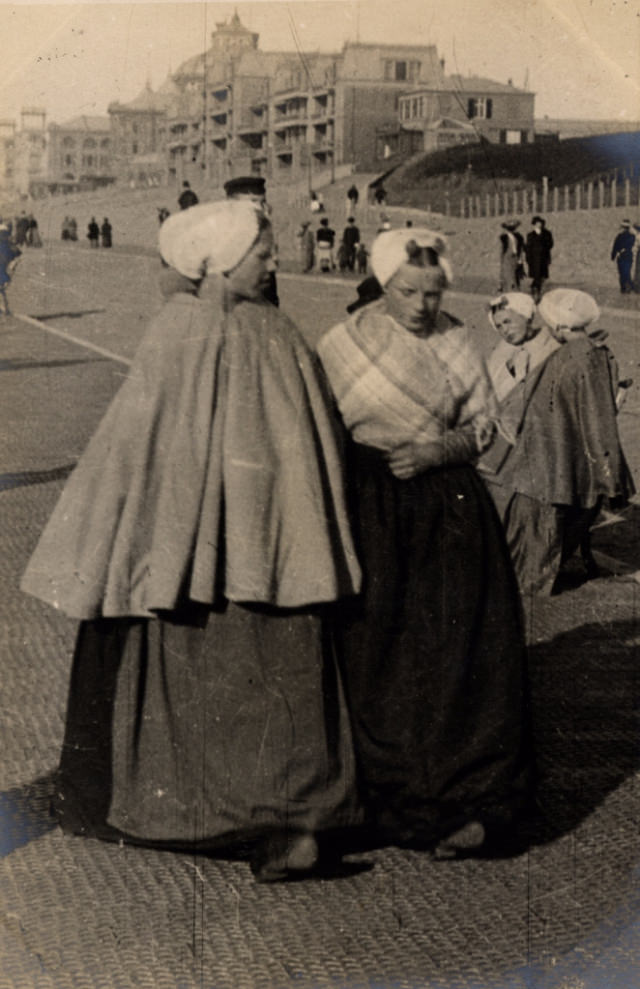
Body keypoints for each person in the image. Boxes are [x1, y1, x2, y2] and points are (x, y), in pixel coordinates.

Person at [21, 199, 362, 883]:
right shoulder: (254, 333)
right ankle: (281, 820)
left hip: (197, 560)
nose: (271, 260)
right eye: (259, 251)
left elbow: (133, 456)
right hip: (275, 553)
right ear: (220, 261)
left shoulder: (216, 330)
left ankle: (225, 815)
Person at [317, 228, 532, 857]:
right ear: (385, 285)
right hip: (370, 505)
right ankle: (387, 796)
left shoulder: (460, 339)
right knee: (377, 644)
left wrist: (440, 449)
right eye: (409, 291)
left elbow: (486, 424)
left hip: (449, 509)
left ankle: (471, 799)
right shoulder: (344, 343)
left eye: (433, 293)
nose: (422, 305)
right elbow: (324, 425)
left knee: (460, 645)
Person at [479, 289, 634, 596]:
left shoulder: (568, 356)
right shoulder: (589, 355)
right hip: (550, 462)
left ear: (561, 327)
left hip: (529, 461)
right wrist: (611, 478)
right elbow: (599, 422)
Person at [224, 175, 279, 306]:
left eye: (262, 202)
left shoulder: (264, 229)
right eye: (252, 202)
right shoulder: (222, 234)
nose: (259, 208)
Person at [525, 216, 553, 301]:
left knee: (543, 277)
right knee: (537, 276)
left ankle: (534, 288)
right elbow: (528, 248)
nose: (539, 225)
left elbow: (551, 244)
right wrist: (528, 259)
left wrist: (544, 247)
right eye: (537, 223)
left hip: (544, 258)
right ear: (534, 224)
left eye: (540, 223)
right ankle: (536, 293)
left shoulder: (547, 233)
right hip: (534, 260)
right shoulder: (530, 235)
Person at [0, 224, 21, 316]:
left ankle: (6, 309)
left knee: (2, 288)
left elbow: (16, 254)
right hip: (3, 266)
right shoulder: (8, 244)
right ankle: (6, 309)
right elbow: (16, 254)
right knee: (2, 288)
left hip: (3, 267)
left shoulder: (7, 245)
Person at [499, 220, 525, 292]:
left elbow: (521, 248)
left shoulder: (518, 237)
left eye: (512, 228)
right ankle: (510, 292)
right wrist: (502, 260)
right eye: (509, 228)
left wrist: (520, 258)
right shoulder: (503, 238)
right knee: (509, 276)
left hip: (515, 258)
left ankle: (515, 291)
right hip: (507, 258)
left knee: (515, 276)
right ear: (506, 229)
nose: (511, 229)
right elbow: (501, 250)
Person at [611, 219, 635, 294]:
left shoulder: (631, 236)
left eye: (623, 227)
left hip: (626, 257)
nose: (622, 229)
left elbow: (629, 245)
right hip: (621, 257)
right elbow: (615, 246)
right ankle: (623, 288)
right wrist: (613, 255)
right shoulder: (619, 236)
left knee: (626, 272)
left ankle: (628, 287)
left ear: (625, 228)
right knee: (622, 272)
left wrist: (618, 252)